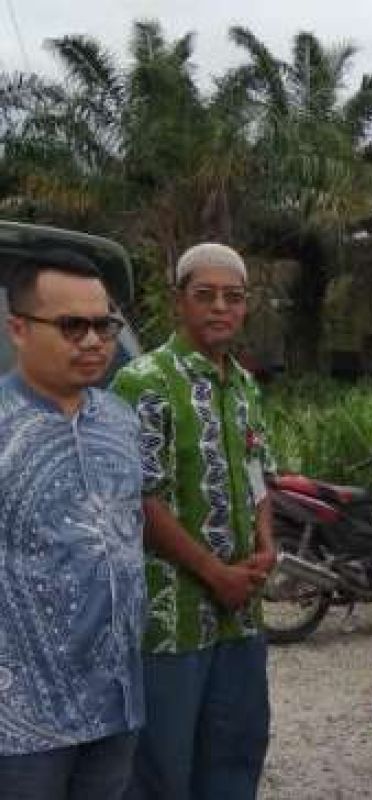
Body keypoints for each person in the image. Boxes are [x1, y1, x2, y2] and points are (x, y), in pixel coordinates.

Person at [113, 243, 276, 800]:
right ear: (178, 301)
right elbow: (139, 497)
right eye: (205, 295)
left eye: (233, 297)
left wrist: (267, 543)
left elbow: (259, 470)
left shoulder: (246, 386)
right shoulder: (143, 382)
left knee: (237, 751)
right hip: (171, 618)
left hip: (241, 615)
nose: (220, 308)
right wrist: (214, 572)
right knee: (162, 765)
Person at [0, 251, 145, 799]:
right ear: (17, 328)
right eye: (71, 326)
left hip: (115, 701)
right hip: (21, 720)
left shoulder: (119, 421)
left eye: (104, 324)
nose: (93, 341)